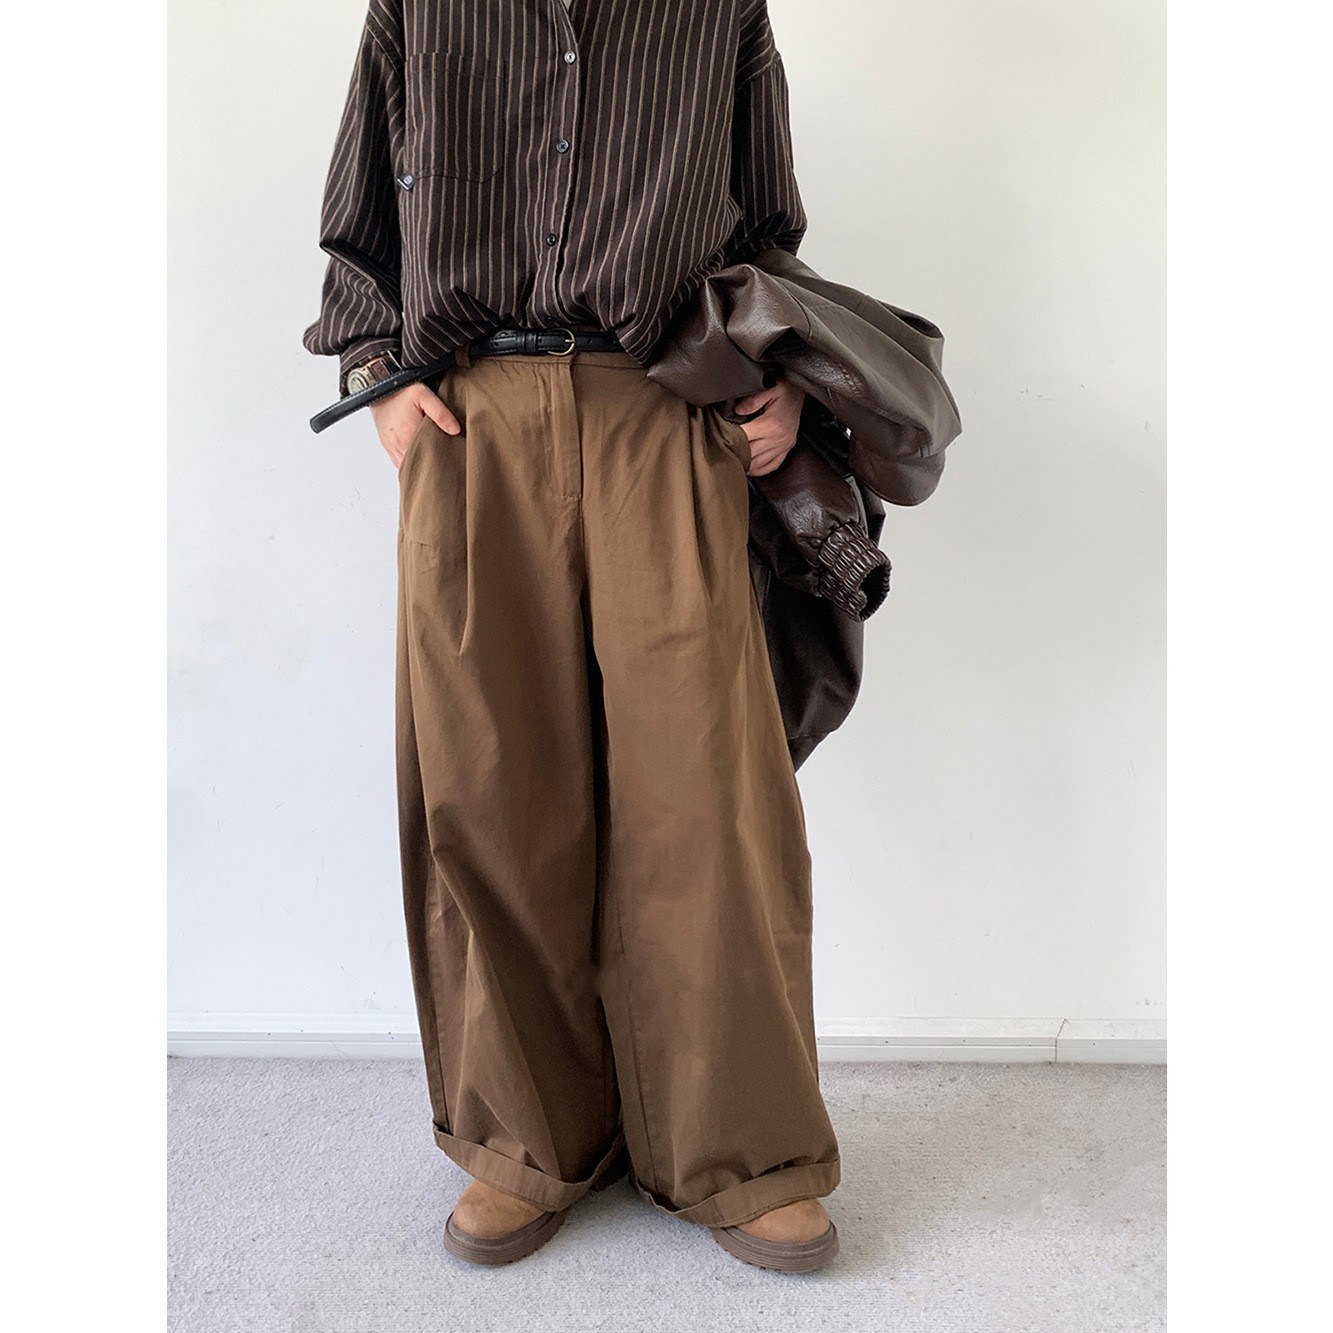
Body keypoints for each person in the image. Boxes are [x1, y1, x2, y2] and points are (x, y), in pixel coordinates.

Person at [304, 0, 841, 1272]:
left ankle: (740, 1147)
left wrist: (778, 382)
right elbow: (359, 220)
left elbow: (766, 231)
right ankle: (522, 1141)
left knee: (704, 789)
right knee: (489, 784)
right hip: (470, 418)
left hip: (667, 408)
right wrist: (377, 377)